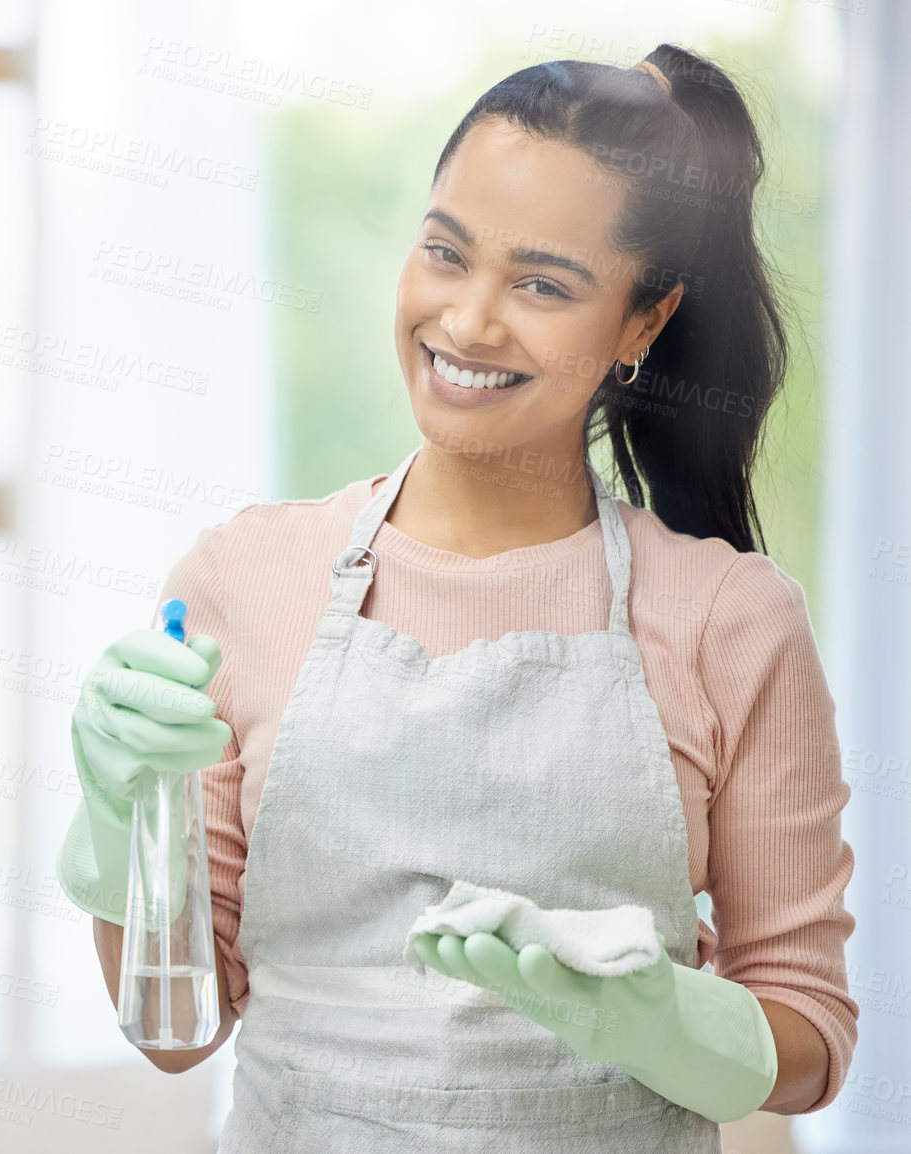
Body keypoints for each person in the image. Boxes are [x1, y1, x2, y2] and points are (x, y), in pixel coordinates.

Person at [56, 43, 857, 1152]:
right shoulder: (242, 581)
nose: (470, 322)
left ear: (643, 321)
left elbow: (810, 1025)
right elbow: (178, 1032)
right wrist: (122, 821)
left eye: (542, 283)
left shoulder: (732, 618)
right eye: (446, 252)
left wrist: (669, 1024)